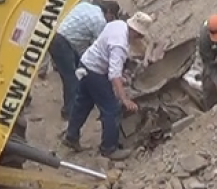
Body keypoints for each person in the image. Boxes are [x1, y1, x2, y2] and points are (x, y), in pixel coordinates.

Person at [62, 11, 153, 161]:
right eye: (140, 36)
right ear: (136, 33)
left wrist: (120, 74)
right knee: (112, 109)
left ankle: (71, 136)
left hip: (86, 63)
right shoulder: (120, 45)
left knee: (83, 104)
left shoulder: (117, 24)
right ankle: (109, 149)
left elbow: (109, 58)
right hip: (95, 72)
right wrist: (124, 99)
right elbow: (114, 75)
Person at [50, 0, 121, 119]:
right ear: (108, 12)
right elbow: (99, 48)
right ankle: (69, 111)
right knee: (72, 78)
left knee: (80, 67)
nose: (110, 21)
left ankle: (84, 95)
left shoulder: (85, 5)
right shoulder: (100, 21)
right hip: (64, 44)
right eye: (112, 17)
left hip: (57, 36)